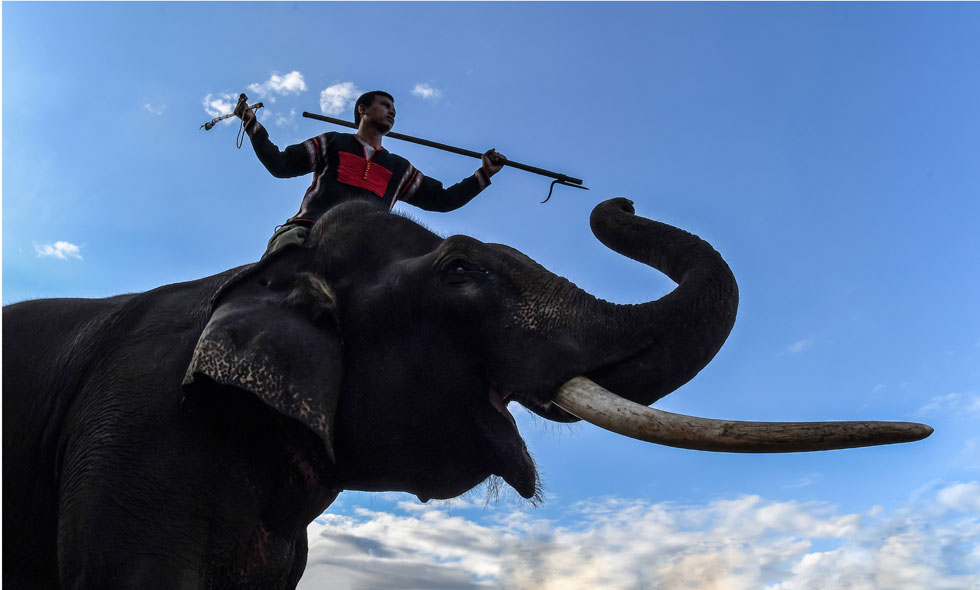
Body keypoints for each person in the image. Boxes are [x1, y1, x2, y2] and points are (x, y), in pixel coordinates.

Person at [234, 90, 506, 256]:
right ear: (362, 109)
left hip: (367, 247)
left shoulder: (399, 168)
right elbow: (280, 164)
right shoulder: (332, 143)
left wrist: (484, 174)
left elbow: (443, 199)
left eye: (394, 109)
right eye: (385, 105)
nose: (392, 112)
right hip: (307, 231)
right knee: (276, 269)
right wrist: (251, 124)